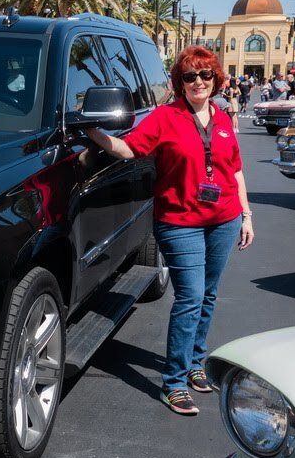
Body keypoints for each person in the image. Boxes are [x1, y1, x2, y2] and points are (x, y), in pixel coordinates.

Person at [86, 45, 254, 415]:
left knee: (208, 295)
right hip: (180, 223)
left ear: (215, 79)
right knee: (190, 297)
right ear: (181, 82)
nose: (199, 82)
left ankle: (195, 363)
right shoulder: (165, 117)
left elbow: (235, 170)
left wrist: (246, 215)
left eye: (205, 75)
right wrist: (93, 132)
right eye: (190, 76)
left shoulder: (222, 119)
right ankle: (174, 383)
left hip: (224, 219)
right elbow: (128, 149)